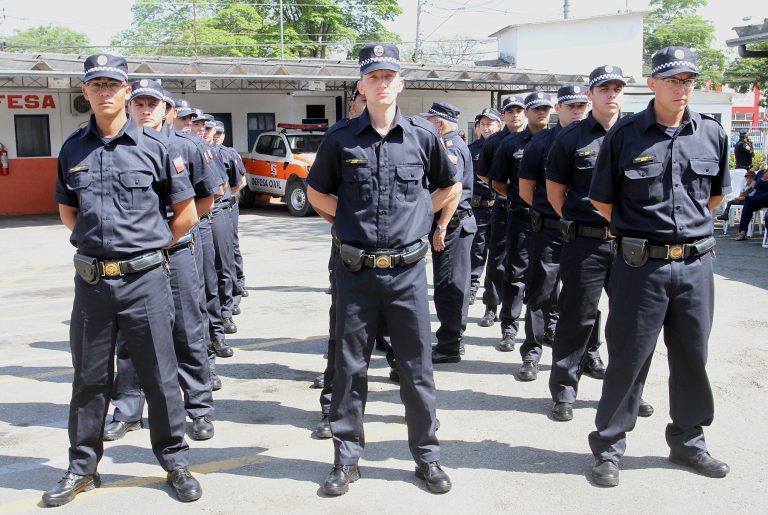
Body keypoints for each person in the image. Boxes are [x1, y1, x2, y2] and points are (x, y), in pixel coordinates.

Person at [45, 54, 202, 506]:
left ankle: (174, 461)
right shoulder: (73, 148)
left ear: (127, 90)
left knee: (159, 376)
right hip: (92, 283)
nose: (105, 92)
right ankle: (82, 468)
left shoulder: (156, 148)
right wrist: (98, 247)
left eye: (113, 84)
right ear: (85, 92)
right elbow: (67, 210)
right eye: (96, 85)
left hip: (145, 281)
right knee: (90, 379)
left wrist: (146, 251)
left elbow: (186, 214)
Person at [307, 43, 460, 496]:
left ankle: (427, 458)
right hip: (356, 274)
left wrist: (417, 218)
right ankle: (346, 459)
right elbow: (317, 195)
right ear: (362, 85)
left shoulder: (422, 136)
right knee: (350, 369)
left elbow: (449, 185)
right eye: (374, 76)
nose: (382, 83)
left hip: (407, 275)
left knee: (416, 369)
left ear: (401, 83)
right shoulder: (340, 138)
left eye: (390, 75)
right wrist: (348, 224)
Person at [588, 46, 730, 487]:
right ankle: (609, 448)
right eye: (673, 80)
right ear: (651, 84)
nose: (681, 88)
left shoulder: (711, 133)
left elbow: (715, 197)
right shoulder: (626, 134)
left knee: (692, 357)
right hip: (640, 267)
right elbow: (601, 199)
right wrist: (641, 237)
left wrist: (683, 237)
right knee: (629, 358)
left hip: (695, 266)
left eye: (688, 80)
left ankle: (689, 442)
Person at [103, 80, 219, 443]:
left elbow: (207, 199)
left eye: (153, 104)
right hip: (133, 260)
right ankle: (128, 409)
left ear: (167, 109)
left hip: (176, 249)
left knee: (187, 328)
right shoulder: (118, 148)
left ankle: (198, 408)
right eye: (139, 104)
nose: (145, 110)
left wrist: (164, 238)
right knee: (131, 336)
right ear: (129, 106)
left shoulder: (185, 146)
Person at [517, 84, 589, 383]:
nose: (576, 111)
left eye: (581, 106)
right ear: (558, 108)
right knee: (541, 293)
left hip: (588, 233)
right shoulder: (541, 142)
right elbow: (525, 190)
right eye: (570, 106)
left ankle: (591, 353)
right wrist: (557, 213)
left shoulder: (601, 139)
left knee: (587, 298)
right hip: (549, 229)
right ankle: (532, 352)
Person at [488, 91, 553, 378]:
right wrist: (522, 200)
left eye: (545, 108)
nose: (541, 113)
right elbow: (498, 182)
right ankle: (510, 328)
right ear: (527, 112)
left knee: (550, 279)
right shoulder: (510, 143)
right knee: (515, 273)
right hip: (521, 217)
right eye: (536, 108)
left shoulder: (560, 139)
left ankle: (550, 327)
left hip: (553, 220)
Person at [420, 101, 476, 363]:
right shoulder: (448, 144)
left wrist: (441, 226)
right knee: (450, 285)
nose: (427, 125)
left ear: (439, 124)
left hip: (452, 226)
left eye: (430, 121)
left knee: (450, 286)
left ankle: (449, 345)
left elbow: (453, 190)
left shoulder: (450, 147)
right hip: (454, 225)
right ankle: (452, 342)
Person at [476, 97, 526, 333]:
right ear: (504, 115)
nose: (515, 115)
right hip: (505, 207)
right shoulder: (495, 141)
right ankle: (491, 306)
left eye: (519, 110)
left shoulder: (540, 138)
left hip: (535, 210)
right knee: (497, 260)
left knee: (533, 263)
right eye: (510, 111)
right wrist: (507, 191)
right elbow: (484, 174)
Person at [468, 108, 502, 305]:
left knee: (499, 254)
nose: (486, 128)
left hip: (500, 206)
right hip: (478, 208)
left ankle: (495, 295)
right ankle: (472, 286)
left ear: (499, 125)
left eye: (490, 124)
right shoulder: (471, 149)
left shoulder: (505, 147)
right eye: (483, 124)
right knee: (477, 250)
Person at [734, 167, 768, 240]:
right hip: (757, 199)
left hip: (766, 199)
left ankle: (747, 198)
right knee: (748, 203)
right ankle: (742, 232)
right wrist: (743, 195)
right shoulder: (760, 173)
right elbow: (751, 187)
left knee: (751, 199)